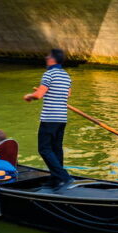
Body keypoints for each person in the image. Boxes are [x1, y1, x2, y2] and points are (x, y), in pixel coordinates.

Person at [23, 49, 73, 187]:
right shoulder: (66, 76)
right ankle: (56, 177)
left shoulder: (49, 74)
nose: (46, 57)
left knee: (44, 148)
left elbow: (39, 95)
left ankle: (64, 176)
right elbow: (68, 95)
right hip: (62, 118)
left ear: (53, 59)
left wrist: (29, 96)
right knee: (56, 148)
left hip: (50, 118)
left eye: (48, 56)